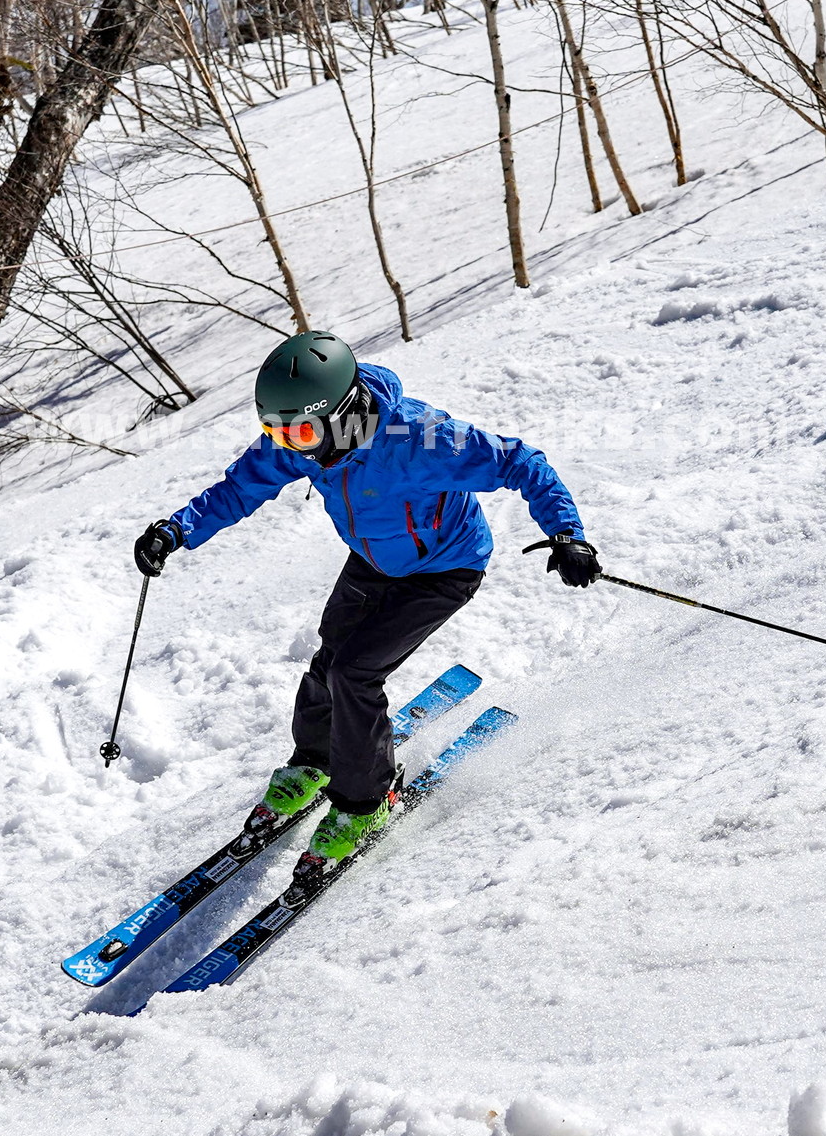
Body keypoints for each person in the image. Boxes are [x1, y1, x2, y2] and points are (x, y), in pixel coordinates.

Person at [134, 331, 600, 872]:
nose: (292, 446)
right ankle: (314, 760)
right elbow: (239, 487)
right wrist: (176, 531)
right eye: (278, 433)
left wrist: (568, 535)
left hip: (444, 570)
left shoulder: (418, 438)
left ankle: (366, 801)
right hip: (373, 563)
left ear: (345, 411)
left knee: (355, 673)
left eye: (302, 431)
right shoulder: (305, 441)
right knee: (329, 660)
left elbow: (522, 462)